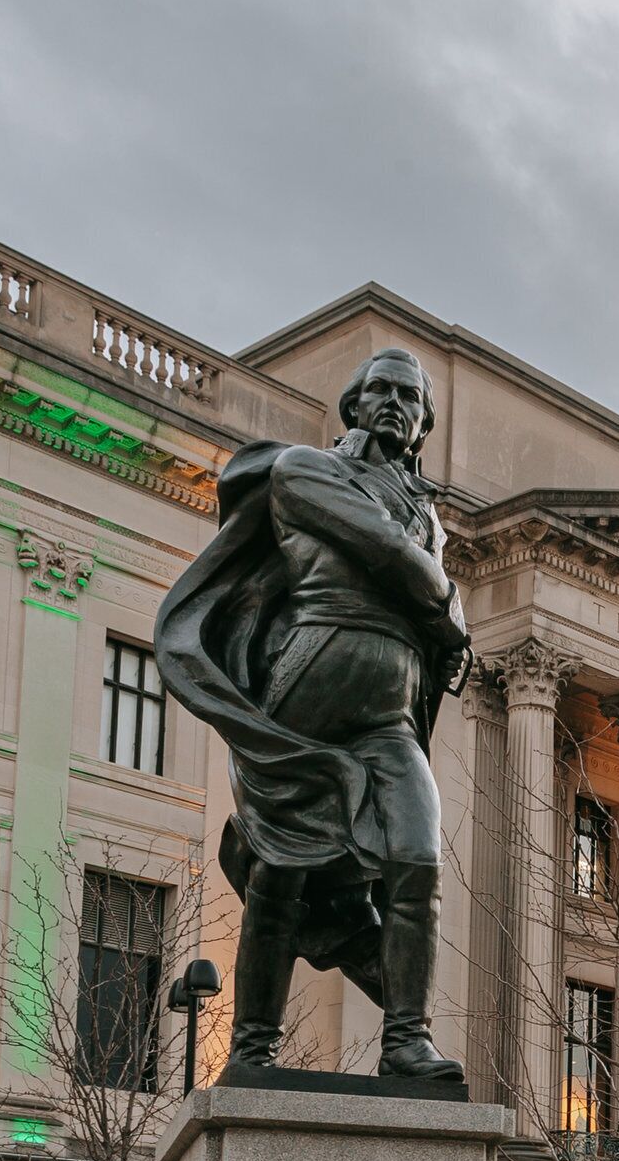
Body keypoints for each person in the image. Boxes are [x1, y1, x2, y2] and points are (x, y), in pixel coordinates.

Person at [156, 347, 469, 1084]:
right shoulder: (305, 471)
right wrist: (444, 599)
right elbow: (393, 558)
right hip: (305, 702)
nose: (394, 402)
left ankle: (405, 1039)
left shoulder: (428, 514)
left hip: (388, 717)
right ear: (353, 406)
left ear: (423, 424)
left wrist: (445, 604)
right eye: (380, 389)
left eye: (410, 396)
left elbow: (439, 598)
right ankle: (253, 1046)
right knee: (279, 877)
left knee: (417, 858)